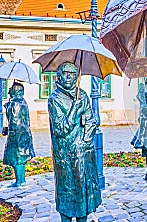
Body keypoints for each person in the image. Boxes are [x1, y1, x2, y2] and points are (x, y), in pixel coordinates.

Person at [48, 62, 101, 222]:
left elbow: (92, 120)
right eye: (65, 73)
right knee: (67, 191)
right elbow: (60, 129)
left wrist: (85, 139)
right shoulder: (54, 99)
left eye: (72, 73)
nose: (69, 77)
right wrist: (74, 110)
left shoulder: (82, 95)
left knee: (83, 192)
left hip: (83, 152)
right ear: (59, 76)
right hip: (65, 155)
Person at [2, 82, 35, 187]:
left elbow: (14, 122)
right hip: (25, 134)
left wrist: (8, 130)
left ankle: (19, 181)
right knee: (22, 157)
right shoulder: (23, 102)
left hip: (17, 136)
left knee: (17, 159)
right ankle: (21, 180)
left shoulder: (15, 104)